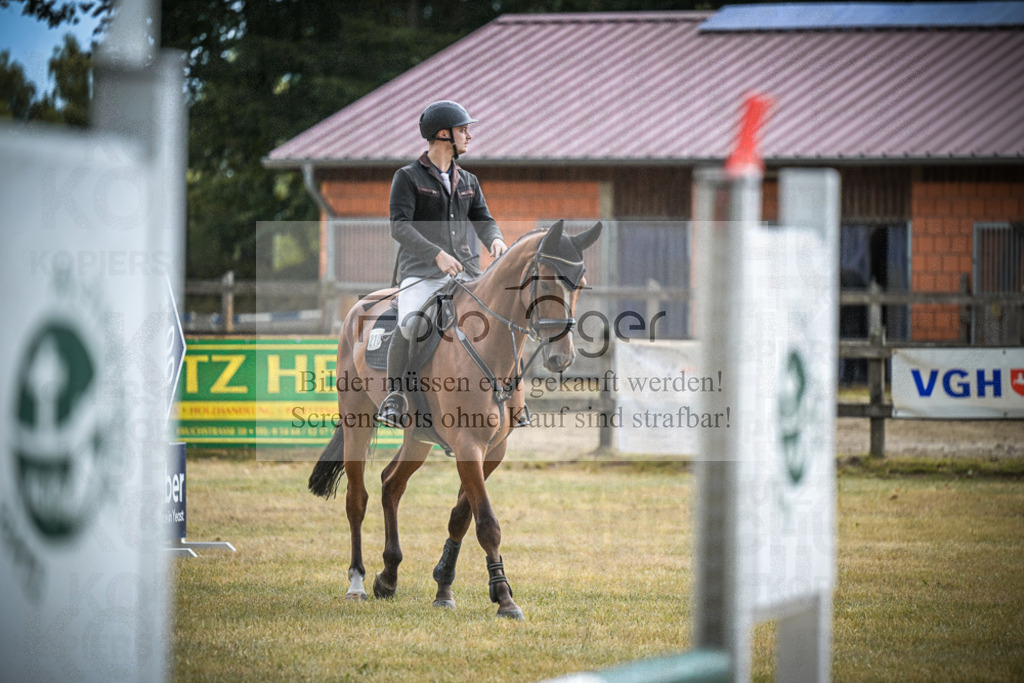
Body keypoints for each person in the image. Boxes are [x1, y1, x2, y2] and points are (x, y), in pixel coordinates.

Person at [377, 100, 508, 428]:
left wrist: (495, 239)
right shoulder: (407, 177)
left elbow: (484, 219)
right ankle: (396, 396)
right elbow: (400, 226)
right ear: (442, 135)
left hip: (466, 273)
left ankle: (511, 395)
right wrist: (435, 254)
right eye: (463, 130)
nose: (469, 135)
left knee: (500, 320)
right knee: (410, 323)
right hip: (421, 272)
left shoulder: (469, 181)